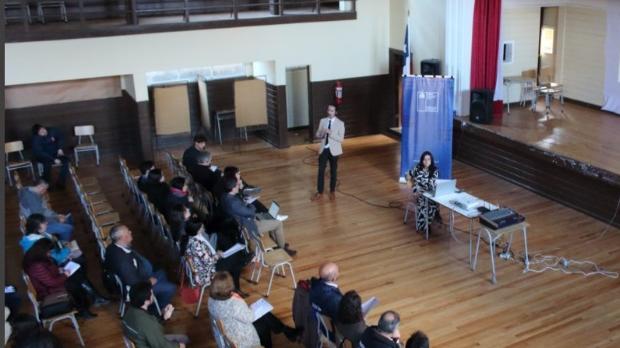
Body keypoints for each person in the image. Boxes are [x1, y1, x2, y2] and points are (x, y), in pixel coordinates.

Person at [208, 271, 299, 348]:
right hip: (241, 338)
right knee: (264, 323)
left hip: (230, 330)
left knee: (265, 316)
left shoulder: (211, 300)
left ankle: (287, 331)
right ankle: (286, 332)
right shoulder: (234, 304)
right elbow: (250, 317)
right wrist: (239, 299)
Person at [23, 239, 106, 320]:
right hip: (48, 290)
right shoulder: (37, 265)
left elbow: (49, 272)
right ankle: (84, 309)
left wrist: (59, 270)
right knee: (75, 284)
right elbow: (52, 283)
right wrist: (65, 275)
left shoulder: (36, 259)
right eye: (49, 252)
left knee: (78, 277)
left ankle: (87, 303)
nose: (50, 254)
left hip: (51, 284)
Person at [104, 225, 176, 309]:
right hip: (135, 290)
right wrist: (149, 282)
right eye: (128, 232)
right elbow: (134, 283)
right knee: (171, 288)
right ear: (123, 238)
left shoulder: (112, 247)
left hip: (136, 277)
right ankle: (156, 310)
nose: (130, 232)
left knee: (162, 273)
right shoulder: (122, 262)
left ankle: (155, 300)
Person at [220, 177, 296, 256]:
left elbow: (241, 209)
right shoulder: (233, 202)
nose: (238, 186)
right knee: (278, 223)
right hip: (250, 226)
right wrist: (250, 204)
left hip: (243, 222)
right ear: (233, 188)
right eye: (237, 185)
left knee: (271, 219)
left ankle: (278, 243)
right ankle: (283, 249)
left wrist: (245, 203)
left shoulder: (224, 196)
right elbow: (250, 212)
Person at [122, 282, 188, 348]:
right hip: (151, 344)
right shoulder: (148, 324)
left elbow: (149, 328)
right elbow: (162, 345)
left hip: (141, 342)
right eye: (152, 293)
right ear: (146, 301)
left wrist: (163, 317)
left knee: (183, 338)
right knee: (183, 341)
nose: (153, 295)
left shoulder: (129, 312)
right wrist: (179, 346)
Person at [312, 105, 345, 202]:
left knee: (333, 171)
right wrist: (322, 132)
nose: (329, 112)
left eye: (332, 110)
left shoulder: (340, 123)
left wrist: (331, 133)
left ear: (336, 112)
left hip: (334, 151)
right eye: (328, 110)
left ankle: (332, 191)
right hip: (324, 149)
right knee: (321, 171)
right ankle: (320, 192)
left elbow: (341, 139)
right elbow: (317, 134)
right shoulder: (323, 121)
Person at [409, 151, 440, 234]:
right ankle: (424, 226)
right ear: (422, 160)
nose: (426, 161)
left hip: (429, 192)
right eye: (424, 159)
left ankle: (427, 223)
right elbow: (408, 175)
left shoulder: (434, 170)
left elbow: (432, 184)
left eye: (428, 159)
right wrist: (412, 186)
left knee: (433, 204)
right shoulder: (417, 168)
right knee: (424, 204)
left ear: (431, 160)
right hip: (418, 193)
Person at [31, 124, 70, 189]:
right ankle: (47, 184)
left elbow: (61, 137)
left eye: (43, 129)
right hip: (44, 156)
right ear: (37, 134)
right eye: (40, 132)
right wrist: (53, 159)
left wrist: (60, 148)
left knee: (66, 161)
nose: (43, 131)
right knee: (47, 164)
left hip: (55, 153)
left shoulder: (52, 131)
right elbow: (40, 152)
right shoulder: (35, 139)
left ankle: (61, 182)